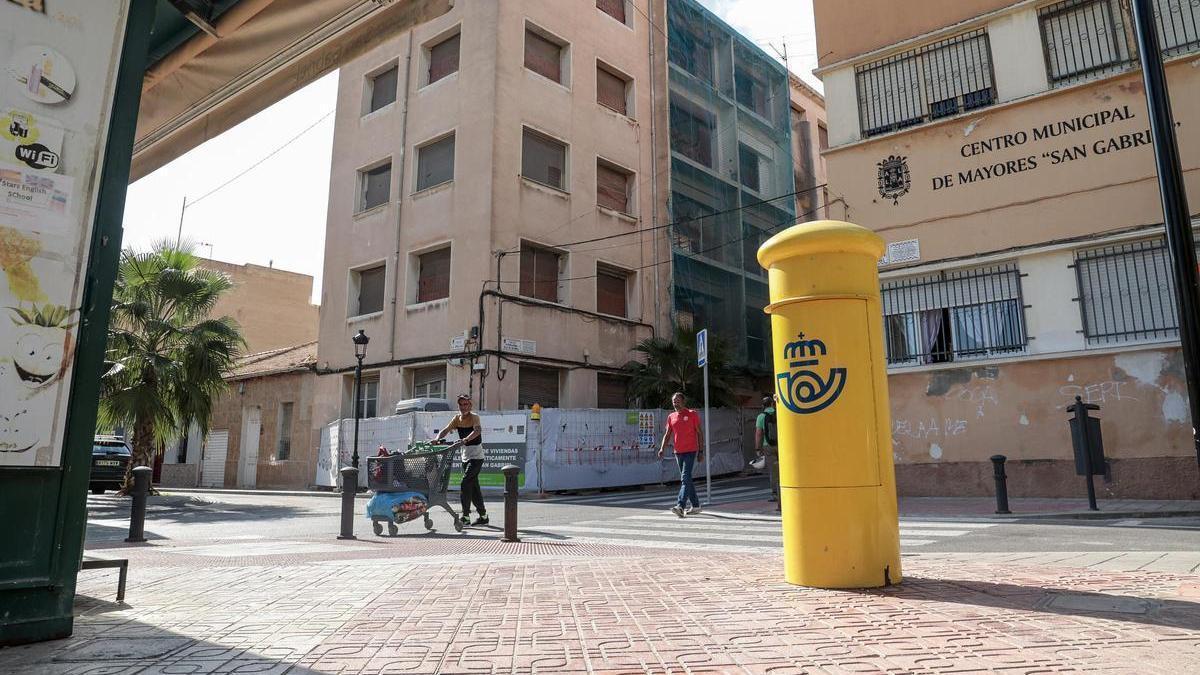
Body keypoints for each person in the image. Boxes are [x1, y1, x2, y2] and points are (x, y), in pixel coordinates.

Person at [434, 394, 487, 527]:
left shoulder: (474, 417)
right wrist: (437, 438)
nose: (463, 407)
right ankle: (483, 516)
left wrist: (465, 439)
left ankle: (465, 516)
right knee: (474, 488)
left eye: (466, 404)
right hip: (465, 456)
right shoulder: (457, 418)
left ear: (470, 405)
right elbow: (445, 430)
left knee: (465, 483)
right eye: (461, 405)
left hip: (476, 457)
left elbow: (477, 430)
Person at [658, 392, 704, 517]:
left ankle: (680, 506)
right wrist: (662, 448)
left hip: (690, 451)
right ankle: (696, 505)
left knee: (685, 478)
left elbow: (699, 433)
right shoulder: (671, 416)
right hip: (678, 452)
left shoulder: (692, 414)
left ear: (683, 402)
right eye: (673, 400)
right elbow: (667, 434)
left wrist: (701, 451)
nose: (675, 402)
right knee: (687, 479)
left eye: (677, 400)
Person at [755, 395, 780, 508]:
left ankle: (775, 494)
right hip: (781, 445)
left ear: (763, 406)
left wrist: (757, 448)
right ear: (772, 404)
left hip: (768, 446)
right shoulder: (779, 412)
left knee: (773, 471)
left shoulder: (761, 416)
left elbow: (759, 434)